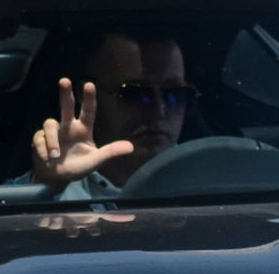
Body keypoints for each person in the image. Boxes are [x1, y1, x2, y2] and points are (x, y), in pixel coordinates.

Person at [26, 30, 194, 198]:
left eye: (174, 94)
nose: (159, 112)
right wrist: (46, 188)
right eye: (135, 94)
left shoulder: (212, 180)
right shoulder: (56, 189)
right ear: (86, 96)